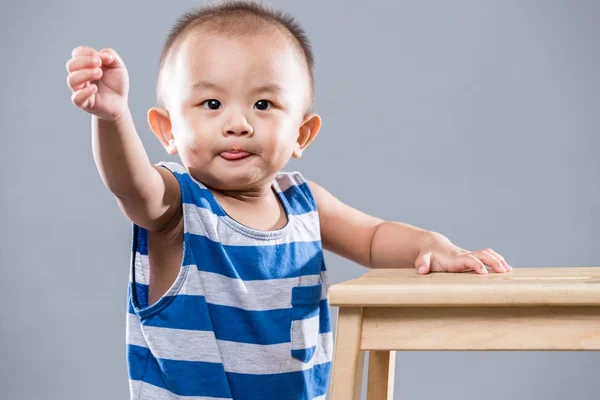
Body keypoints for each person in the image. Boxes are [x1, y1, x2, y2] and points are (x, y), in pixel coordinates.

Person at [65, 1, 512, 399]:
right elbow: (132, 186)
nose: (237, 122)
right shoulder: (178, 206)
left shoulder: (304, 204)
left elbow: (374, 238)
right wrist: (112, 117)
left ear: (301, 133)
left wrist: (429, 244)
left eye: (263, 105)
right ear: (167, 130)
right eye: (211, 103)